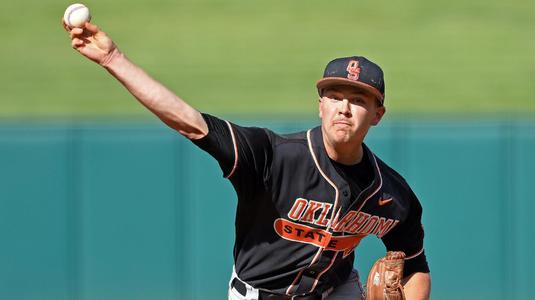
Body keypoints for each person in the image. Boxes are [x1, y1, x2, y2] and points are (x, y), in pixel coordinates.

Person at [64, 21, 431, 300]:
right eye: (335, 96)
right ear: (320, 105)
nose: (344, 109)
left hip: (336, 291)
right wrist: (114, 59)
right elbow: (189, 122)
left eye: (359, 100)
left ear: (378, 115)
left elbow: (414, 263)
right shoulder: (273, 155)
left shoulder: (392, 194)